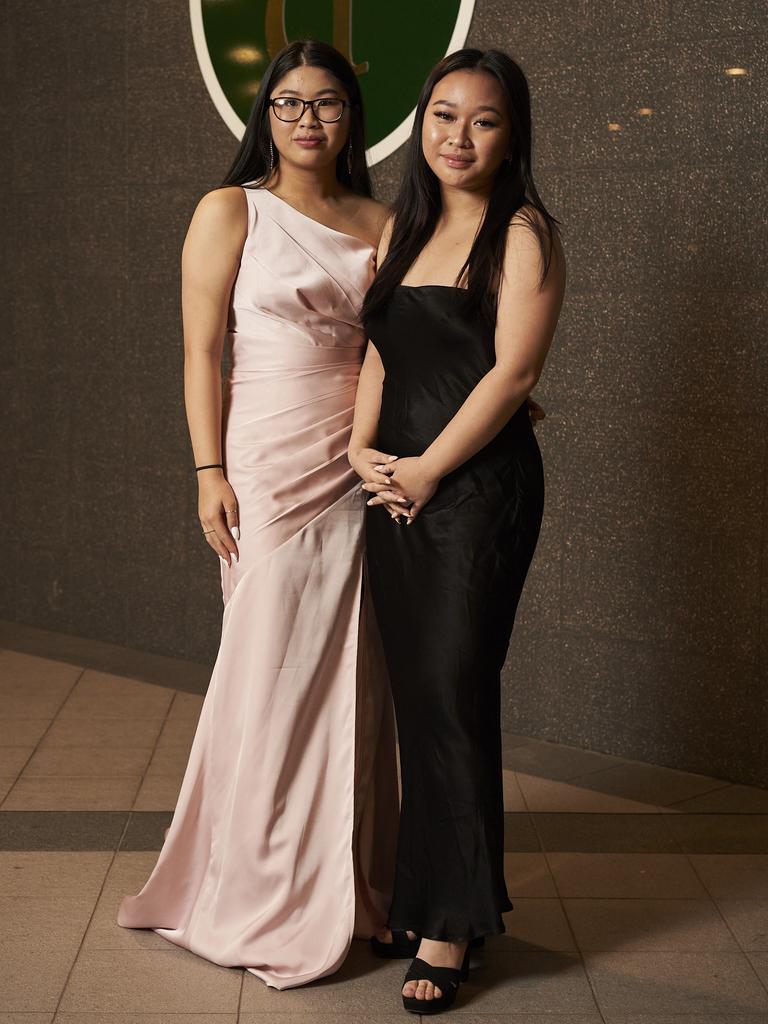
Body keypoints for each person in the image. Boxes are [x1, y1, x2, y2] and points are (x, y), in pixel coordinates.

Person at [117, 40, 405, 990]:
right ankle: (250, 881)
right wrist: (208, 470)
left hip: (353, 448)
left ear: (351, 118)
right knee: (270, 655)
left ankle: (354, 883)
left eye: (326, 105)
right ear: (265, 115)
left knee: (353, 665)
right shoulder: (228, 209)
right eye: (288, 105)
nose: (308, 122)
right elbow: (202, 352)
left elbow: (398, 349)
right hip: (266, 451)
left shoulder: (385, 221)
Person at [348, 48, 566, 1013]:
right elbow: (382, 351)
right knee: (420, 701)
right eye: (443, 115)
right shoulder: (409, 227)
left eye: (482, 120)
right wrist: (363, 451)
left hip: (475, 494)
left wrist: (431, 470)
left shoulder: (523, 232)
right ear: (422, 123)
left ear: (511, 132)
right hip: (394, 488)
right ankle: (444, 900)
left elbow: (514, 375)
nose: (458, 136)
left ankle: (449, 928)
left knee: (452, 691)